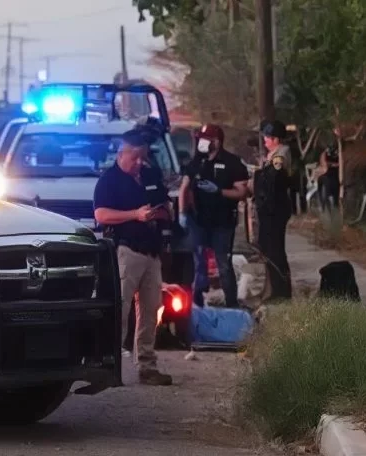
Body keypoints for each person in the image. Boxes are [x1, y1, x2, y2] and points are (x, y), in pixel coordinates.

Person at [93, 129, 174, 386]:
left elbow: (165, 203)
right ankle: (108, 366)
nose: (140, 162)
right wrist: (135, 215)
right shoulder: (109, 180)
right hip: (127, 251)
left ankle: (147, 366)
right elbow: (101, 215)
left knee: (150, 311)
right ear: (122, 153)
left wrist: (161, 213)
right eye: (135, 157)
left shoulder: (149, 174)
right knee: (120, 309)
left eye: (143, 157)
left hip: (152, 251)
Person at [178, 124, 250, 308]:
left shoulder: (232, 163)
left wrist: (219, 191)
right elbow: (184, 188)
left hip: (222, 222)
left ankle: (231, 304)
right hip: (198, 221)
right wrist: (182, 214)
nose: (202, 142)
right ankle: (196, 304)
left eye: (206, 139)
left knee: (223, 264)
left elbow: (242, 192)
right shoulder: (196, 162)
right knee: (197, 264)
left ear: (217, 142)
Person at [253, 119, 293, 301]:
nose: (265, 141)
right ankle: (274, 288)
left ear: (276, 139)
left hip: (276, 209)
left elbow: (274, 175)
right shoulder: (272, 155)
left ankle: (281, 291)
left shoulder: (281, 154)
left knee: (275, 250)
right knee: (267, 249)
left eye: (267, 138)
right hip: (269, 209)